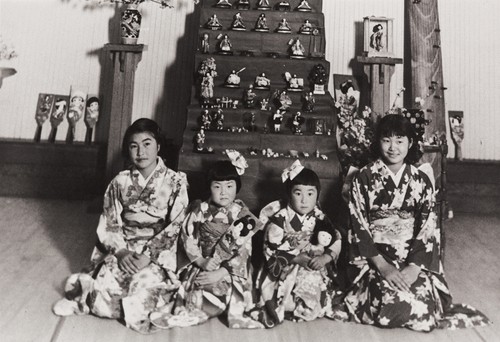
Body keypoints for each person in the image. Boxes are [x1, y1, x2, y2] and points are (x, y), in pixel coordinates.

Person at [339, 114, 491, 331]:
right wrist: (383, 266)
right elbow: (358, 225)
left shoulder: (420, 180)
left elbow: (428, 226)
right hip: (376, 257)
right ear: (378, 142)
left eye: (400, 140)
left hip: (412, 256)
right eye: (386, 140)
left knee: (424, 311)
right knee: (387, 307)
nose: (393, 147)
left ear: (410, 143)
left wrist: (414, 267)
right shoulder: (364, 178)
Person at [52, 118, 190, 334]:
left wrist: (149, 255)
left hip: (156, 253)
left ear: (158, 147)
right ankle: (86, 296)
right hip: (124, 248)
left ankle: (126, 299)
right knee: (105, 289)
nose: (141, 152)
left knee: (142, 292)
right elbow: (110, 221)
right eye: (134, 146)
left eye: (147, 144)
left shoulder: (176, 181)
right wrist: (122, 252)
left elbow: (176, 225)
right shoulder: (120, 182)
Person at [149, 151, 264, 329]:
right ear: (209, 187)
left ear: (237, 187)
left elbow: (244, 250)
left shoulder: (243, 215)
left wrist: (222, 272)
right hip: (203, 261)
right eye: (217, 186)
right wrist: (202, 261)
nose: (224, 192)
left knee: (223, 290)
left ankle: (204, 312)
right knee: (196, 288)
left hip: (231, 268)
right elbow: (188, 237)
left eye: (229, 186)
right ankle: (189, 311)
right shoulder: (199, 210)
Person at [250, 160, 342, 327]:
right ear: (289, 193)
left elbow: (336, 238)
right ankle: (289, 304)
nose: (304, 200)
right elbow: (270, 248)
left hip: (313, 263)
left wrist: (326, 258)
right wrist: (296, 258)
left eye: (310, 194)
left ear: (318, 195)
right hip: (285, 265)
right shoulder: (279, 218)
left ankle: (304, 303)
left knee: (316, 288)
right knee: (279, 295)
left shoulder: (320, 217)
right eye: (298, 193)